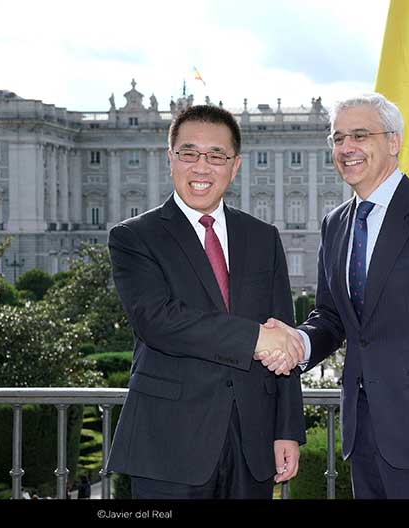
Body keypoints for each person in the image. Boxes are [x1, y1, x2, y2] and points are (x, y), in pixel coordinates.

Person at [260, 93, 409, 499]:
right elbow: (333, 317)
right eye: (337, 139)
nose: (346, 148)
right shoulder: (336, 223)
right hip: (364, 436)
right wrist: (298, 342)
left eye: (359, 135)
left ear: (393, 142)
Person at [106, 105, 306, 499]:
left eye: (216, 156)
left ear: (235, 166)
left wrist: (287, 430)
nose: (202, 167)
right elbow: (158, 321)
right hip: (169, 443)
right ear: (170, 159)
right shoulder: (134, 237)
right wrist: (255, 338)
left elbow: (281, 329)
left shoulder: (263, 237)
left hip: (253, 443)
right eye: (189, 153)